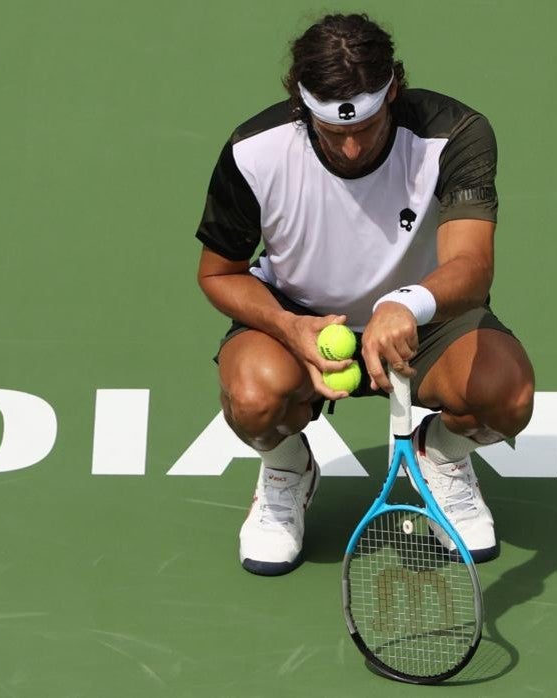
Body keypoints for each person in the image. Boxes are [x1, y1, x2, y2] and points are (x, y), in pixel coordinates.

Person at [194, 13, 535, 576]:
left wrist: (407, 304)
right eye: (334, 132)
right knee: (254, 398)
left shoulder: (455, 134)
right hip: (299, 318)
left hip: (426, 319)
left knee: (507, 397)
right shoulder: (254, 152)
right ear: (299, 101)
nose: (351, 150)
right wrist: (288, 327)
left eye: (367, 127)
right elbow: (218, 274)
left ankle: (442, 456)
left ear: (393, 88)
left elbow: (472, 267)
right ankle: (285, 470)